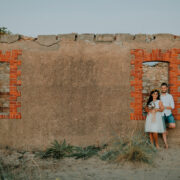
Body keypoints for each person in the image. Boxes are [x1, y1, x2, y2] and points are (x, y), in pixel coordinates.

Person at [160, 82, 176, 149]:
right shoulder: (159, 96)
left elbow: (172, 106)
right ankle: (166, 144)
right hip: (161, 115)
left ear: (167, 88)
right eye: (162, 88)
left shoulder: (170, 96)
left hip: (168, 114)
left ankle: (165, 128)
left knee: (173, 126)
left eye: (164, 88)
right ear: (161, 88)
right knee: (163, 131)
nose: (163, 89)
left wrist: (165, 107)